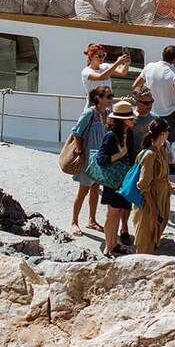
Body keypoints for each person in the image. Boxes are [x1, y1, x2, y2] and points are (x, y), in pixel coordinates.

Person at [97, 100, 136, 257]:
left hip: (124, 179)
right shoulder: (111, 136)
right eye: (130, 118)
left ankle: (113, 244)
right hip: (113, 181)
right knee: (112, 214)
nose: (133, 120)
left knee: (118, 212)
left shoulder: (129, 134)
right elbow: (101, 159)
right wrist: (119, 154)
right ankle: (109, 245)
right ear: (122, 120)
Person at [69, 86, 111, 236]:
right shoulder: (90, 113)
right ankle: (74, 222)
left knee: (94, 188)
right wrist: (80, 153)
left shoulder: (106, 114)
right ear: (98, 98)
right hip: (88, 157)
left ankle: (91, 220)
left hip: (99, 158)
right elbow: (77, 132)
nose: (110, 99)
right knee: (83, 190)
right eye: (108, 96)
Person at [131, 120, 172, 254]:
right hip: (149, 203)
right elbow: (143, 185)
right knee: (144, 241)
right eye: (167, 132)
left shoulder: (161, 150)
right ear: (162, 134)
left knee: (153, 239)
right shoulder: (149, 154)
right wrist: (153, 209)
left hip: (161, 199)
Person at [135, 45, 175, 143]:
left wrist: (142, 102)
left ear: (162, 55)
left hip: (150, 112)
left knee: (149, 141)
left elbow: (135, 86)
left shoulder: (149, 67)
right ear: (174, 59)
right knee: (167, 144)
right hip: (168, 114)